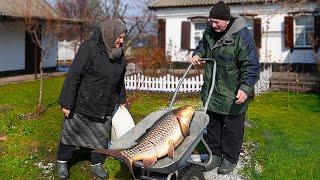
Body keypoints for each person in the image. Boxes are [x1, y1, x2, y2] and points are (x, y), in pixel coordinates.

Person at [191, 1, 260, 174]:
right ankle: (215, 155)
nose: (213, 25)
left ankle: (229, 158)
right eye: (211, 21)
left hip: (232, 92)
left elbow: (251, 65)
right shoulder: (210, 31)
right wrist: (198, 53)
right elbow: (203, 46)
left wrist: (245, 88)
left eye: (217, 22)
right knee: (212, 124)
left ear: (227, 20)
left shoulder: (241, 36)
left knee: (232, 128)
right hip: (212, 89)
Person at [56, 19, 127, 179]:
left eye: (123, 37)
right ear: (110, 34)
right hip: (83, 104)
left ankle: (96, 164)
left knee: (100, 138)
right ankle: (62, 161)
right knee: (70, 135)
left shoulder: (120, 55)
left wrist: (122, 99)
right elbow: (73, 76)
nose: (122, 41)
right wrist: (67, 103)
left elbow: (120, 80)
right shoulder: (89, 48)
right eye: (119, 37)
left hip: (104, 106)